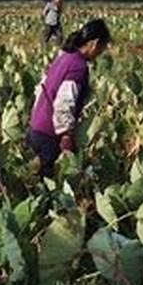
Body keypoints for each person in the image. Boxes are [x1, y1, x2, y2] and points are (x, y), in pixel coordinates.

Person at [27, 19, 111, 178]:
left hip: (36, 128)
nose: (100, 54)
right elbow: (64, 103)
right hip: (49, 135)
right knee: (49, 190)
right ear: (94, 43)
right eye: (102, 48)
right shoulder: (78, 66)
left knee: (34, 182)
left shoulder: (64, 57)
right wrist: (66, 136)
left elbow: (41, 89)